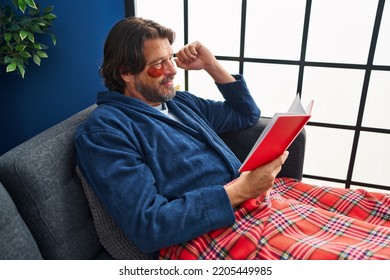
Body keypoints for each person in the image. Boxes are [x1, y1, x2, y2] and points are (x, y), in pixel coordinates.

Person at [75, 17, 390, 260]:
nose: (172, 70)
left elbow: (245, 114)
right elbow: (149, 225)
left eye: (171, 57)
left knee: (376, 211)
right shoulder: (107, 131)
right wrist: (240, 190)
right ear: (126, 73)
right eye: (158, 64)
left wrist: (211, 65)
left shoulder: (179, 103)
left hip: (255, 202)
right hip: (209, 232)